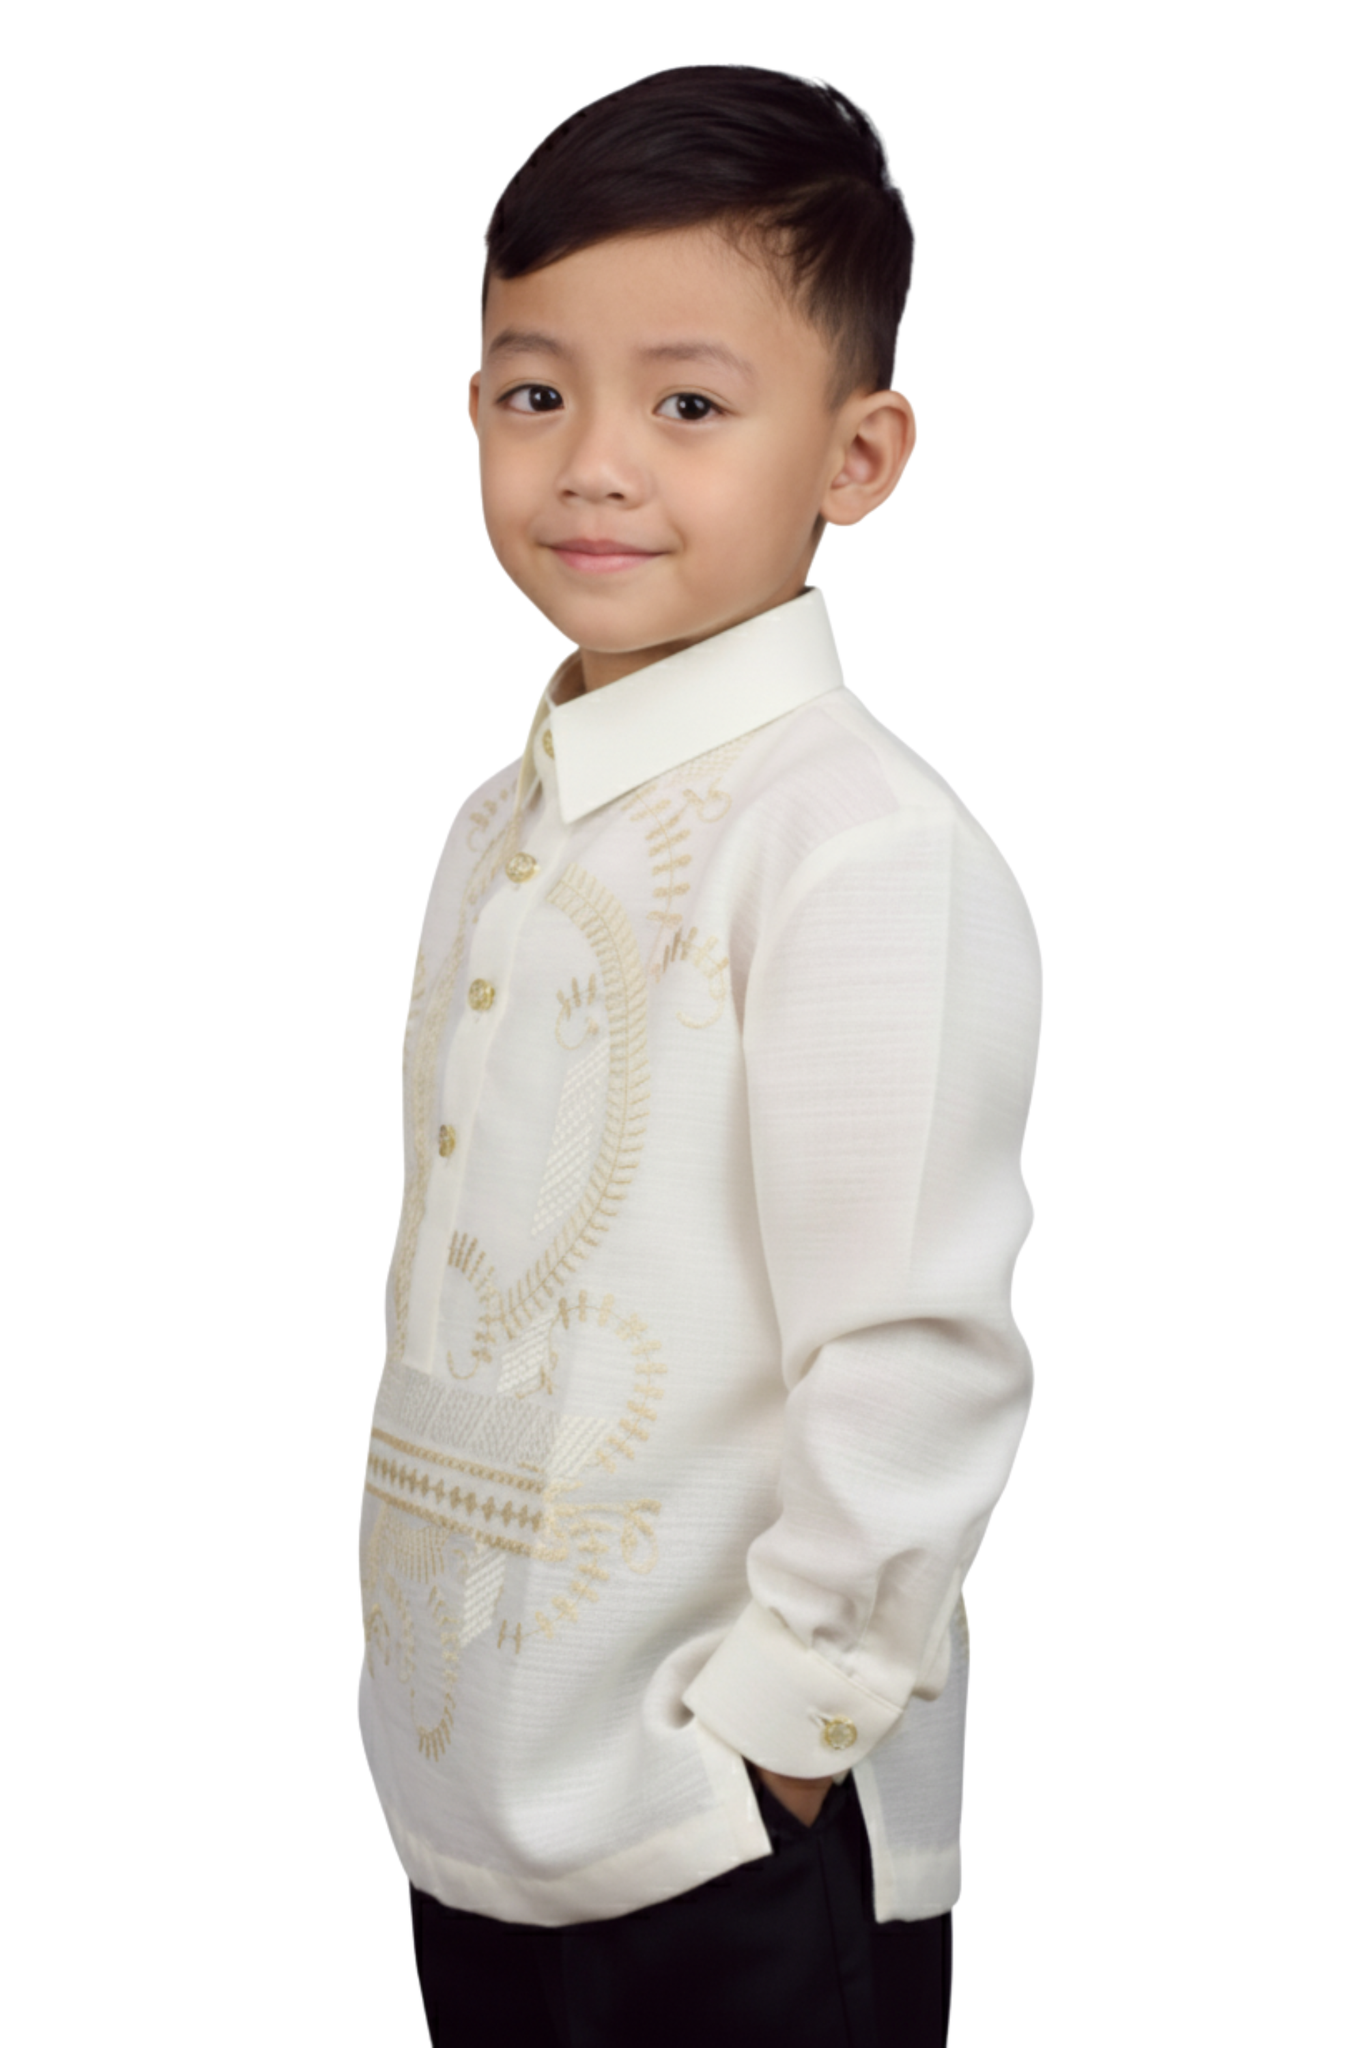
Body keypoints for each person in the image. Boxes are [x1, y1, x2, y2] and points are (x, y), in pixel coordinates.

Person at [358, 63, 1042, 2048]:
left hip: (727, 1841)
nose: (593, 464)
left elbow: (914, 1353)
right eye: (533, 392)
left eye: (687, 405)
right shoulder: (500, 822)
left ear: (856, 453)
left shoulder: (855, 846)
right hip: (482, 1808)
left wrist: (780, 1743)